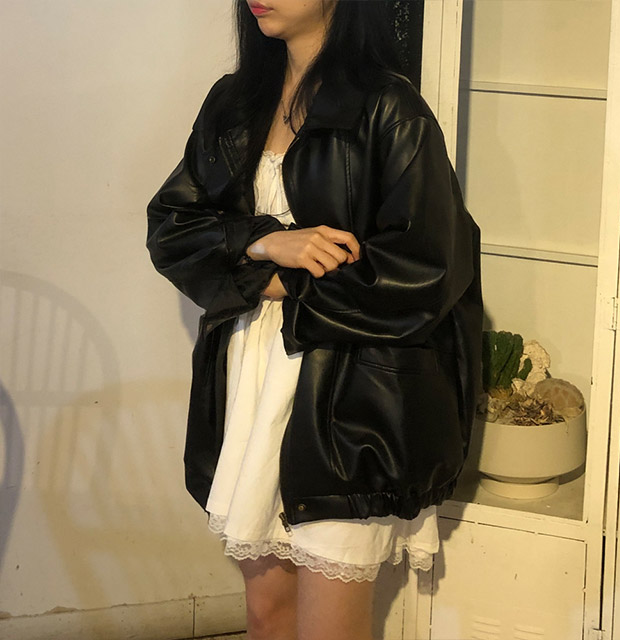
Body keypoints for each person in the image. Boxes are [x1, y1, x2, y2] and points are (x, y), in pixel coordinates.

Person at [146, 1, 484, 639]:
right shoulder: (235, 102)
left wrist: (279, 284)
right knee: (266, 615)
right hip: (251, 382)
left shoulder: (390, 108)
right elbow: (173, 229)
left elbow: (427, 270)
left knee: (330, 628)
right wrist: (265, 243)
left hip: (353, 396)